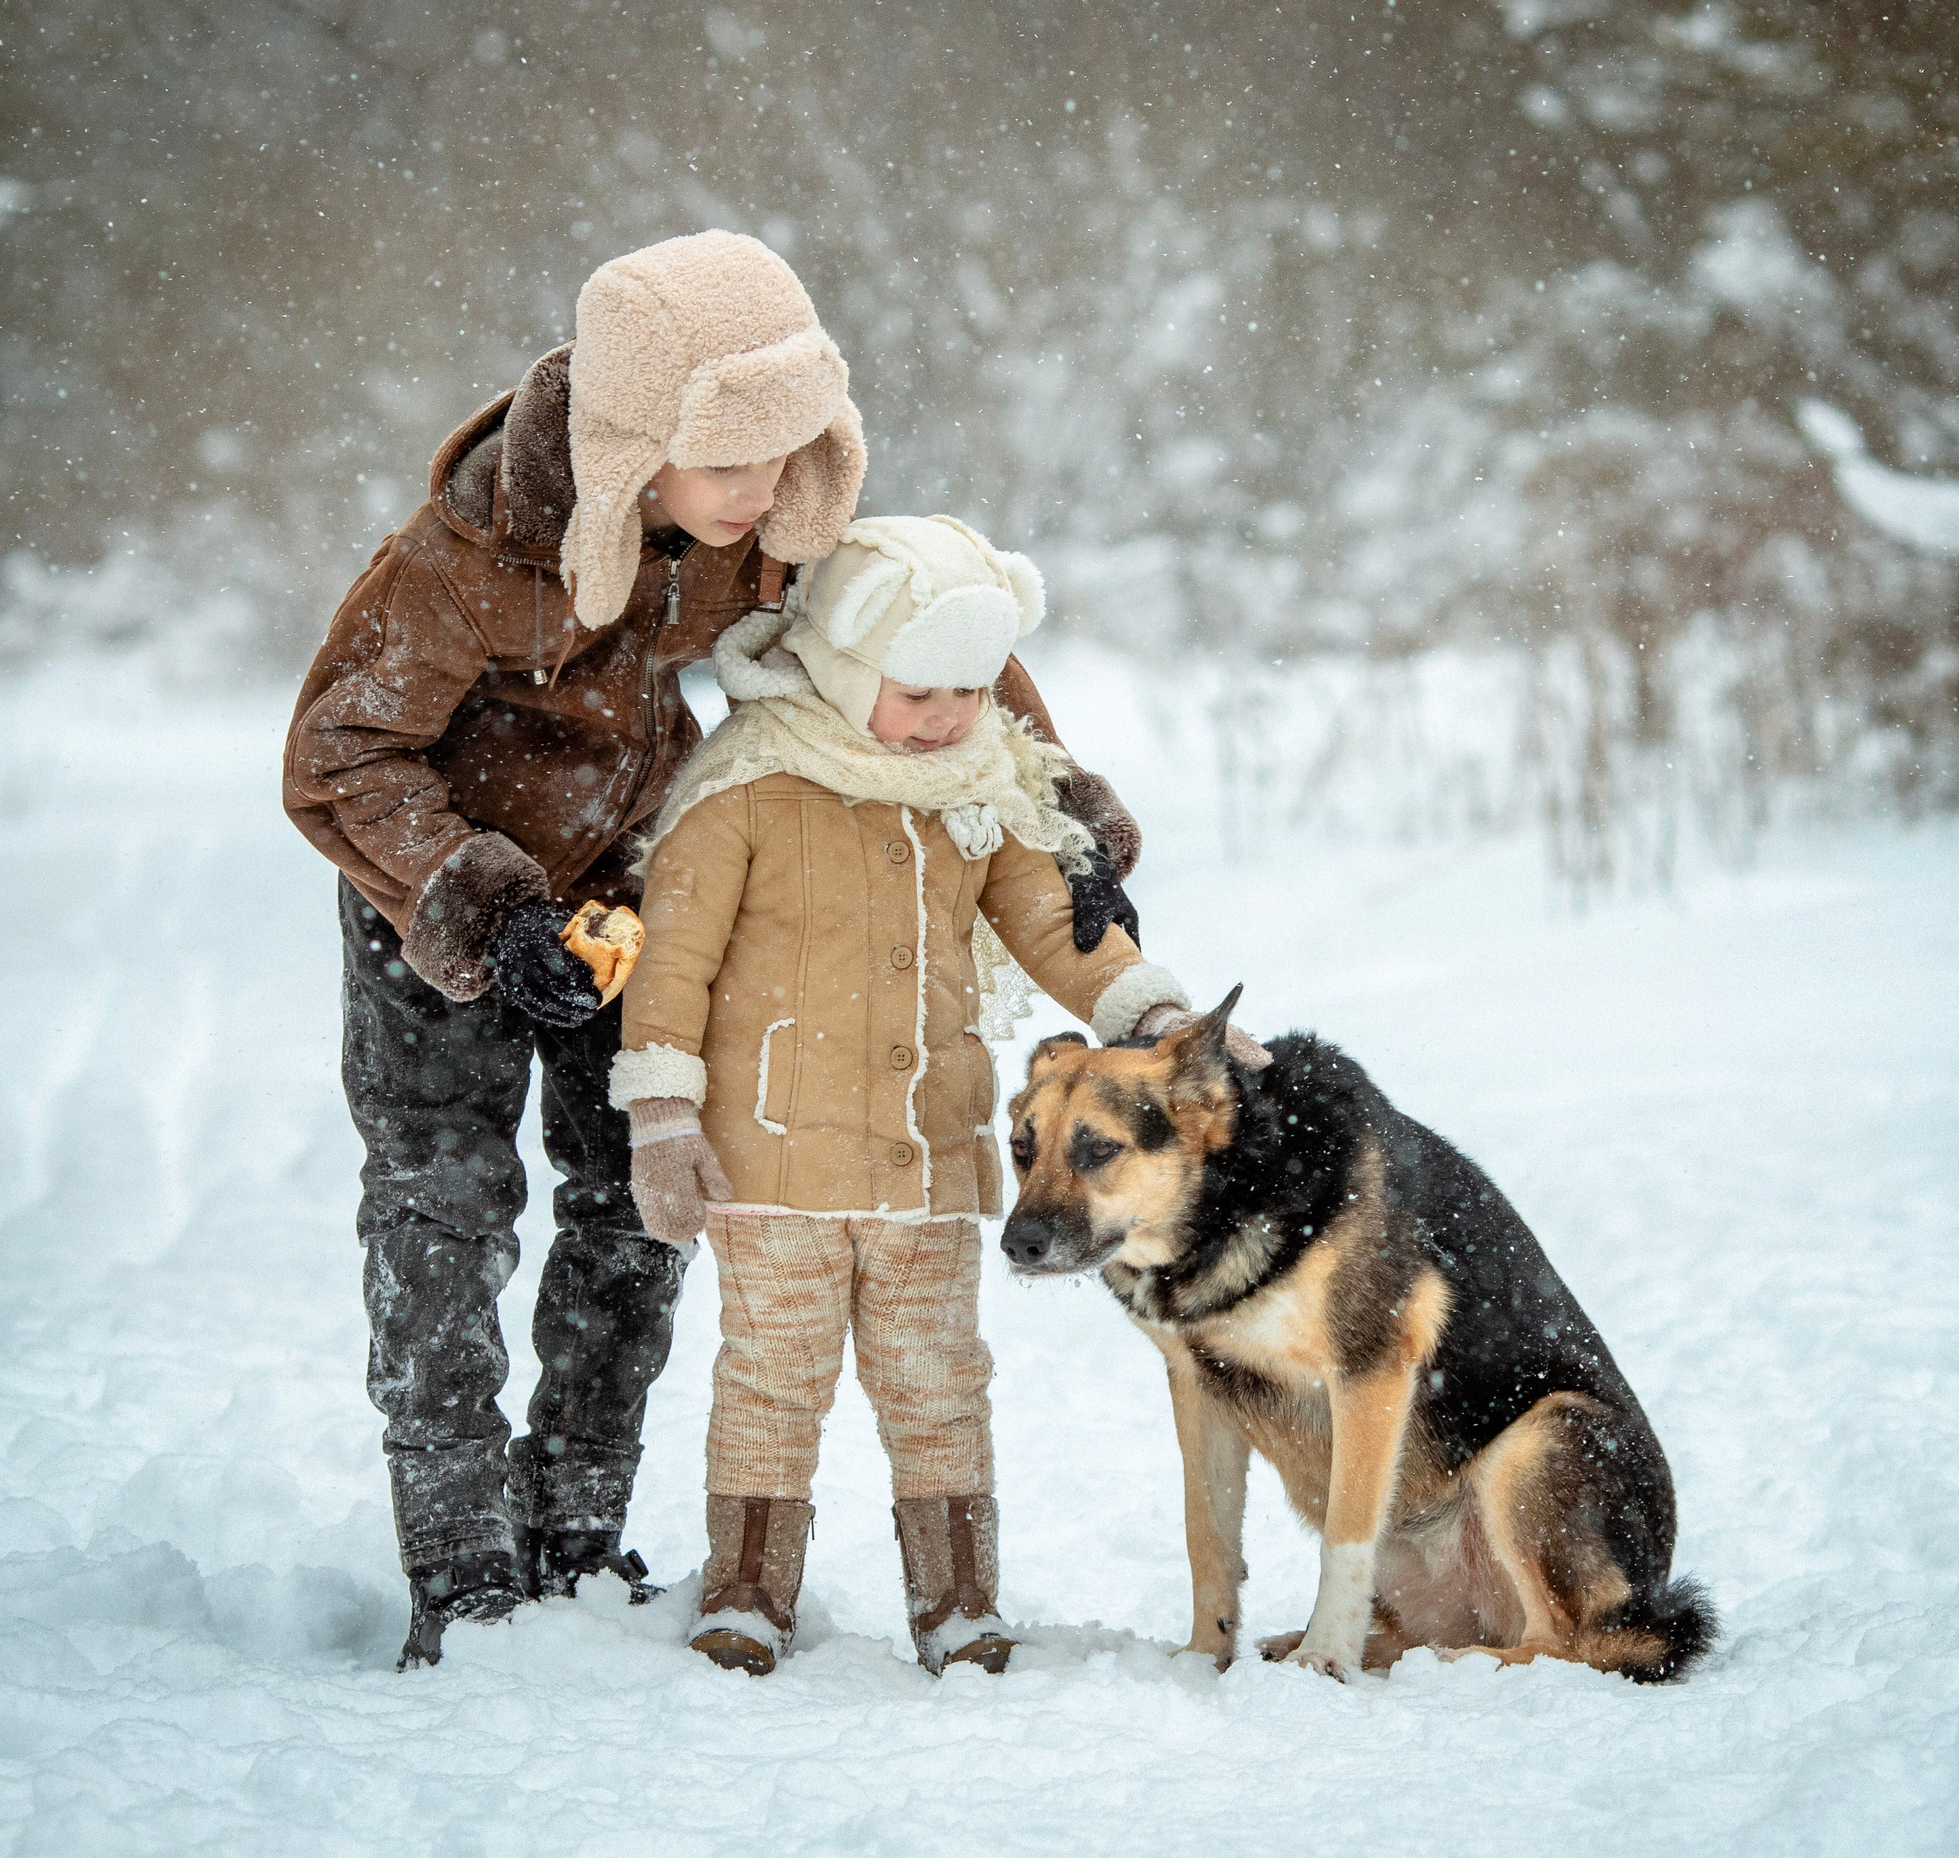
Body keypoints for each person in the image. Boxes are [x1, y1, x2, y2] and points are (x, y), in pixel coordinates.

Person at [280, 233, 1145, 1669]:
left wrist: (1059, 814)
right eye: (730, 459)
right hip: (434, 904)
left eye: (787, 452)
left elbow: (934, 634)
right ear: (633, 445)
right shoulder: (455, 563)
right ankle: (461, 1565)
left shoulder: (765, 528)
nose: (763, 493)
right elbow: (339, 753)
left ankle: (575, 1530)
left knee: (630, 1201)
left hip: (623, 887)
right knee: (444, 1209)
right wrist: (484, 907)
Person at [608, 515, 1258, 1677]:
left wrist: (1149, 1015)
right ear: (849, 665)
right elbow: (671, 965)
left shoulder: (977, 788)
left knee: (939, 1379)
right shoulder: (747, 786)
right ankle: (748, 1588)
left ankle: (956, 1594)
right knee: (772, 1376)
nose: (948, 716)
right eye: (918, 690)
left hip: (924, 1154)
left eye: (968, 689)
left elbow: (1059, 925)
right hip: (771, 1161)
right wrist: (662, 1116)